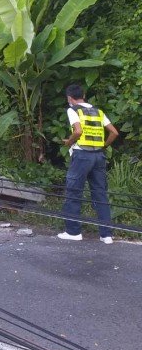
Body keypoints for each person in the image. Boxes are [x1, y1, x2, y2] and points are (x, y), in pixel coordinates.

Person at [58, 84, 119, 244]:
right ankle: (106, 235)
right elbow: (114, 132)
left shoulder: (73, 110)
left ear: (70, 98)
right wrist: (103, 146)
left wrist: (69, 142)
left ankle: (73, 232)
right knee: (100, 194)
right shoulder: (98, 111)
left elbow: (77, 131)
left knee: (73, 191)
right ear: (83, 95)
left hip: (82, 156)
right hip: (98, 156)